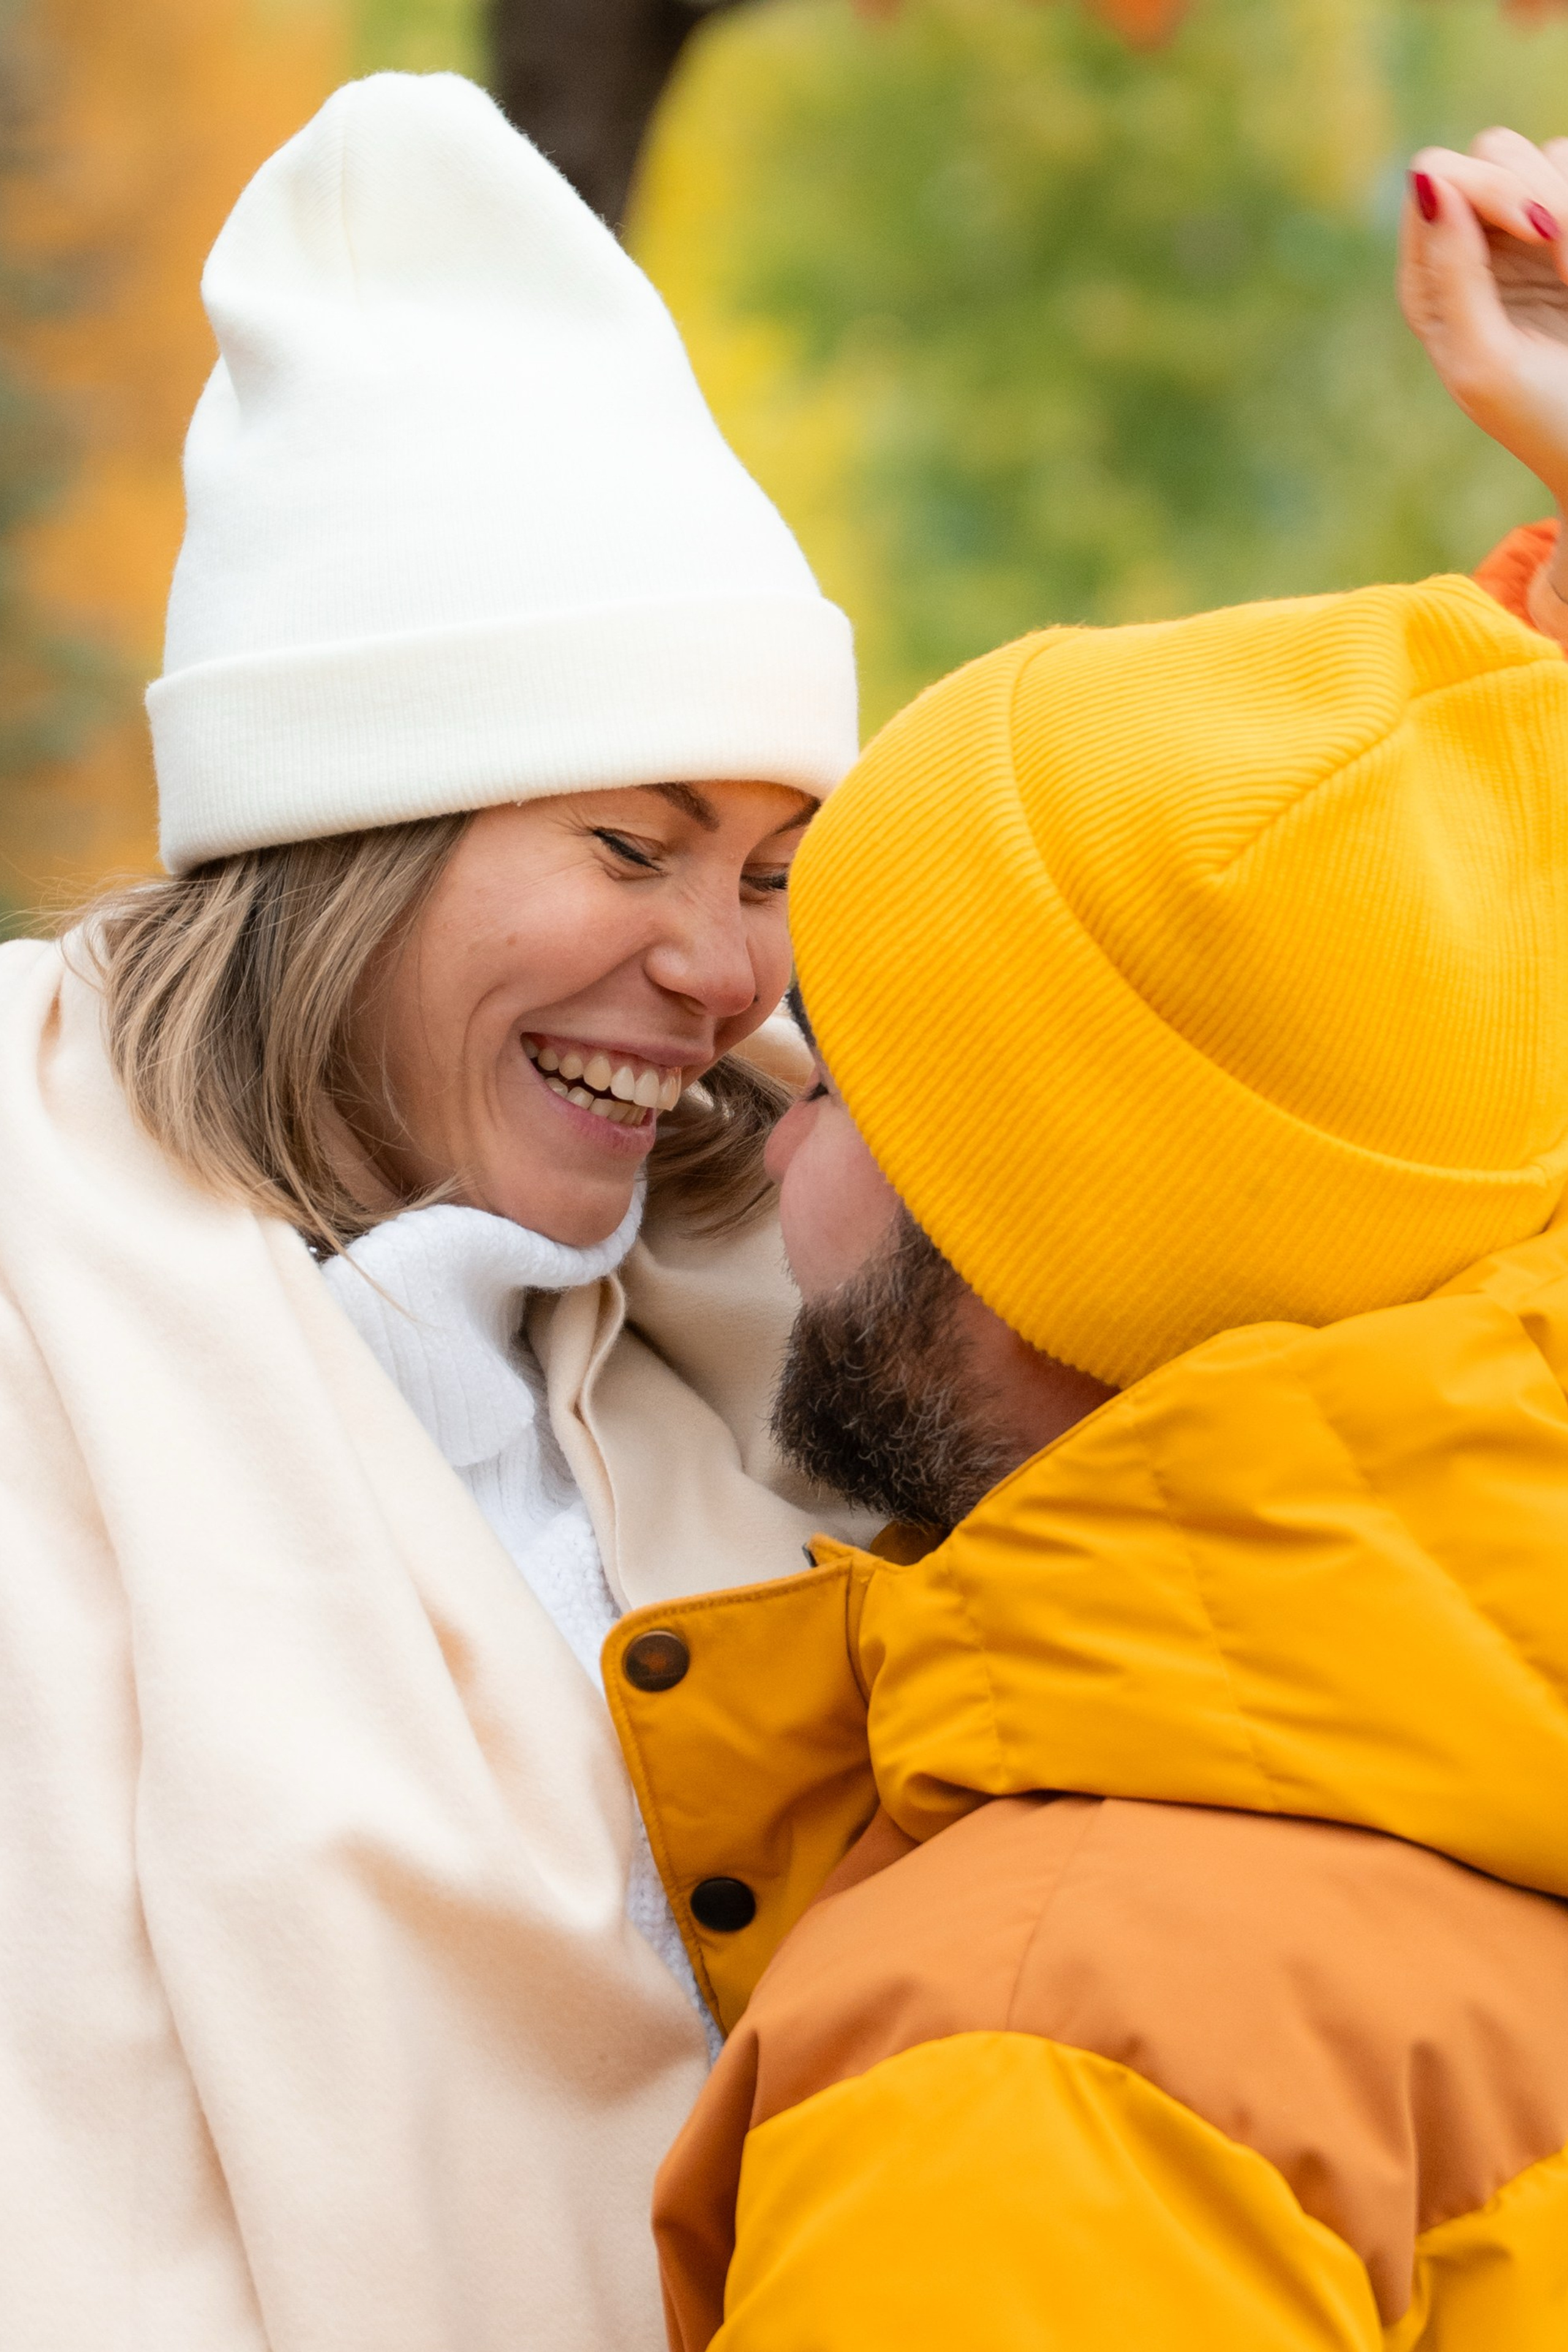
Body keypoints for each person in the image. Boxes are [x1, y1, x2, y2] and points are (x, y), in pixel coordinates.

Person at [592, 137, 1568, 2350]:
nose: (758, 1100)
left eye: (842, 1076)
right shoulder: (1478, 1787)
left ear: (1058, 1240)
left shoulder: (1045, 2063)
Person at [0, 70, 875, 2352]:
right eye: (630, 843)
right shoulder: (39, 1249)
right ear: (358, 834)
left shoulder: (772, 1334)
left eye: (771, 872)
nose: (723, 966)